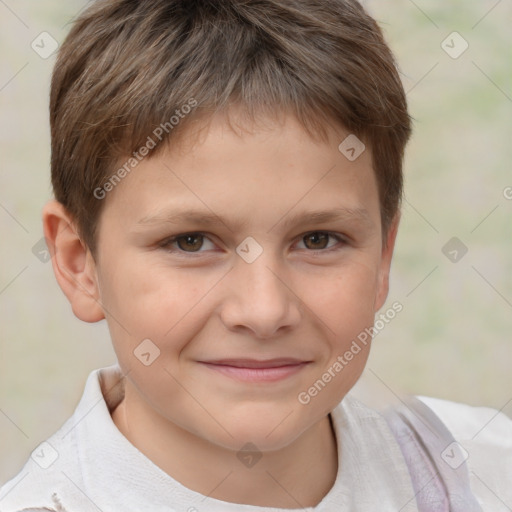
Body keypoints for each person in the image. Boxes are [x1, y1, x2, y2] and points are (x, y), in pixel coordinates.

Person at [1, 0, 510, 510]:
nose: (265, 311)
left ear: (382, 258)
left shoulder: (485, 472)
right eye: (191, 241)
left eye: (318, 240)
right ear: (78, 263)